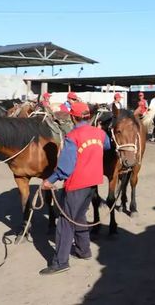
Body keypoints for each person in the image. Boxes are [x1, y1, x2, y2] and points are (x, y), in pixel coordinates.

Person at [39, 101, 111, 275]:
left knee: (65, 221)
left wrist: (50, 180)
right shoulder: (100, 133)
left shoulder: (72, 136)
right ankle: (83, 250)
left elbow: (66, 167)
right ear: (89, 116)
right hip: (93, 183)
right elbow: (108, 146)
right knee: (79, 216)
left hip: (77, 184)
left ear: (73, 116)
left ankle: (60, 262)